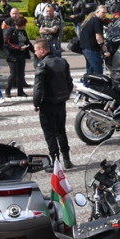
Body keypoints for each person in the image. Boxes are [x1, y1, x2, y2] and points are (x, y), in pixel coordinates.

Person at [32, 39, 74, 168]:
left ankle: (55, 162)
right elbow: (69, 83)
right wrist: (65, 96)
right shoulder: (62, 61)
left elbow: (38, 88)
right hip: (61, 103)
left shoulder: (42, 65)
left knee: (49, 133)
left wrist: (36, 103)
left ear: (42, 50)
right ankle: (67, 160)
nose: (35, 53)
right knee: (61, 131)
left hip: (47, 103)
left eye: (35, 50)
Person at [3, 16, 31, 97]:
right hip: (12, 55)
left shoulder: (23, 31)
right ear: (20, 24)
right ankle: (8, 90)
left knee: (21, 74)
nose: (25, 26)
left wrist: (34, 51)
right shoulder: (10, 30)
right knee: (13, 74)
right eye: (24, 24)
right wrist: (18, 48)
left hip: (21, 55)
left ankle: (20, 91)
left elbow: (27, 41)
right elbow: (6, 43)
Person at [80, 6, 109, 75]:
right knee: (98, 70)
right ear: (97, 12)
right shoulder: (97, 21)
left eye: (105, 13)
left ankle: (88, 84)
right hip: (91, 49)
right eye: (103, 12)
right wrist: (103, 48)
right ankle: (98, 84)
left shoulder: (92, 19)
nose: (104, 14)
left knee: (90, 70)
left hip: (86, 48)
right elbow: (98, 37)